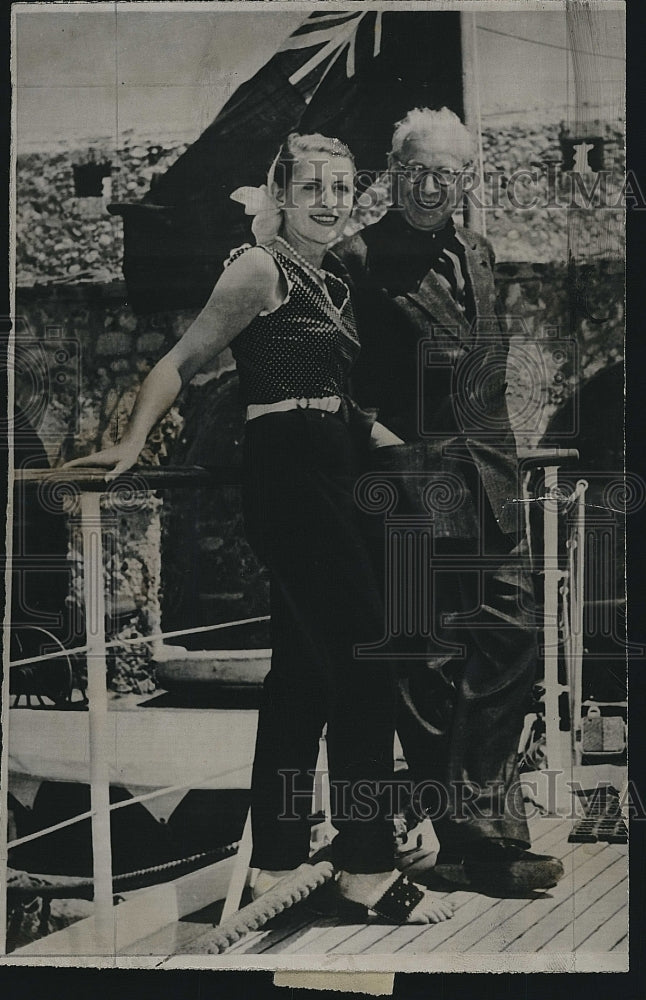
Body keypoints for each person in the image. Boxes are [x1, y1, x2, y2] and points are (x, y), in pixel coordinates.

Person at [65, 132, 454, 925]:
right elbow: (180, 360)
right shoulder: (259, 267)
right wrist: (132, 443)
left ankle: (273, 859)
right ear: (280, 191)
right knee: (365, 658)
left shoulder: (335, 280)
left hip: (335, 470)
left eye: (343, 188)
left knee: (302, 679)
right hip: (288, 478)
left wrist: (417, 452)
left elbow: (329, 398)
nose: (330, 202)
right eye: (312, 187)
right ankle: (366, 867)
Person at [337, 108, 564, 893]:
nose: (436, 186)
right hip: (409, 485)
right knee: (426, 661)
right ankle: (481, 843)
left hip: (491, 477)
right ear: (394, 173)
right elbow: (333, 383)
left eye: (451, 173)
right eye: (420, 171)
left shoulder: (479, 250)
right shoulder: (354, 258)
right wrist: (383, 445)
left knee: (512, 638)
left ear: (467, 179)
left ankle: (469, 821)